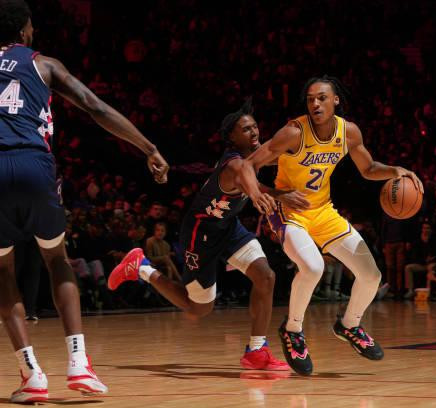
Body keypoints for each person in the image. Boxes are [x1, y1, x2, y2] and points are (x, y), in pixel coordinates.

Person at [0, 1, 169, 402]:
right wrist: (148, 147)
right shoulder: (43, 64)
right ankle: (78, 363)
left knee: (2, 271)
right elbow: (95, 106)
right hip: (34, 164)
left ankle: (31, 373)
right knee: (56, 259)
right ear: (24, 31)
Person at [238, 76, 423, 375]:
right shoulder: (293, 132)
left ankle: (349, 325)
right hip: (289, 212)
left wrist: (395, 171)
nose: (315, 103)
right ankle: (292, 330)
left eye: (322, 98)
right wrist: (269, 194)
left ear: (335, 100)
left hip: (323, 211)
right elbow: (247, 166)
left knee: (371, 275)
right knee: (313, 267)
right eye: (310, 98)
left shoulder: (348, 132)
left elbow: (368, 169)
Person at [108, 99, 308, 371]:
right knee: (199, 308)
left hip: (228, 227)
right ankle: (142, 268)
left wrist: (302, 145)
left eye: (254, 127)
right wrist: (269, 195)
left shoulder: (253, 157)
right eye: (246, 129)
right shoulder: (233, 165)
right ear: (231, 138)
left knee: (266, 276)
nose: (253, 132)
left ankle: (256, 350)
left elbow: (268, 164)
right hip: (200, 234)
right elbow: (247, 181)